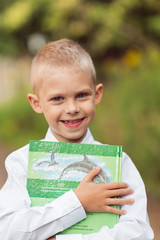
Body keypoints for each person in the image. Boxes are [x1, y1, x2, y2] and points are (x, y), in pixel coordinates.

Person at [0, 39, 154, 240]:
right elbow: (7, 230)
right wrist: (77, 202)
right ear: (36, 103)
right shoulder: (22, 162)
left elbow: (140, 233)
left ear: (96, 95)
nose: (72, 108)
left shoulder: (119, 163)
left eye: (81, 95)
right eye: (57, 99)